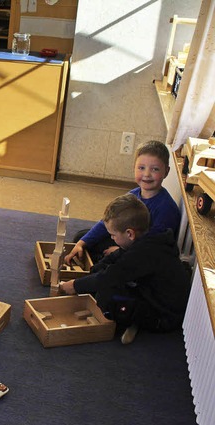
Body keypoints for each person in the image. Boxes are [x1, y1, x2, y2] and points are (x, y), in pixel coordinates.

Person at [59, 194, 191, 345]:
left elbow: (110, 276)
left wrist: (75, 285)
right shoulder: (147, 238)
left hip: (163, 316)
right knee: (104, 276)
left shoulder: (144, 253)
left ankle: (136, 320)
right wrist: (95, 271)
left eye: (113, 235)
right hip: (149, 293)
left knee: (105, 295)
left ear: (129, 233)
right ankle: (132, 314)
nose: (112, 239)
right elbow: (118, 256)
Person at [65, 140, 181, 265]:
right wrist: (82, 243)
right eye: (141, 168)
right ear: (134, 168)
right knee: (81, 237)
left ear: (166, 172)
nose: (147, 174)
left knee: (116, 260)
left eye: (155, 169)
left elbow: (151, 248)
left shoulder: (166, 209)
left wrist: (121, 251)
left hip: (143, 255)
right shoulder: (133, 194)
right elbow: (107, 222)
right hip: (125, 242)